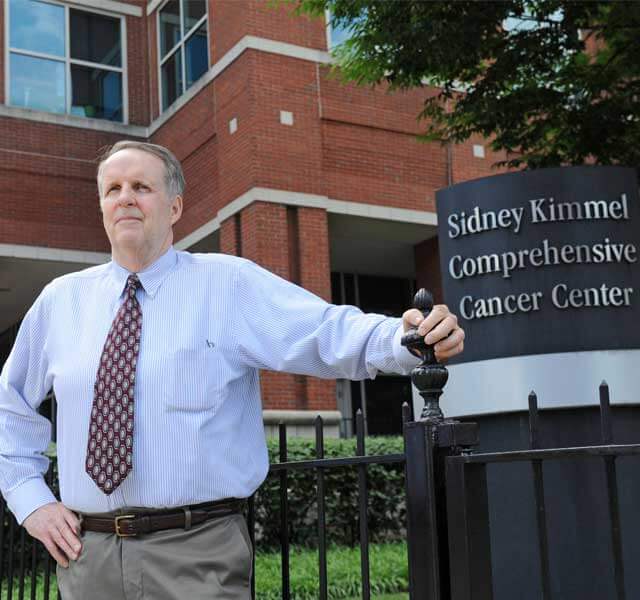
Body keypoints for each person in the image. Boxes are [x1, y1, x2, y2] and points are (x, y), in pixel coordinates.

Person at [0, 141, 465, 599]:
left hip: (197, 553)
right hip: (87, 558)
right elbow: (10, 403)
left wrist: (407, 340)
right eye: (113, 189)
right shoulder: (61, 301)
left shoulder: (227, 284)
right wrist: (30, 500)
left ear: (175, 206)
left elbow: (322, 332)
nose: (125, 198)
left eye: (141, 186)